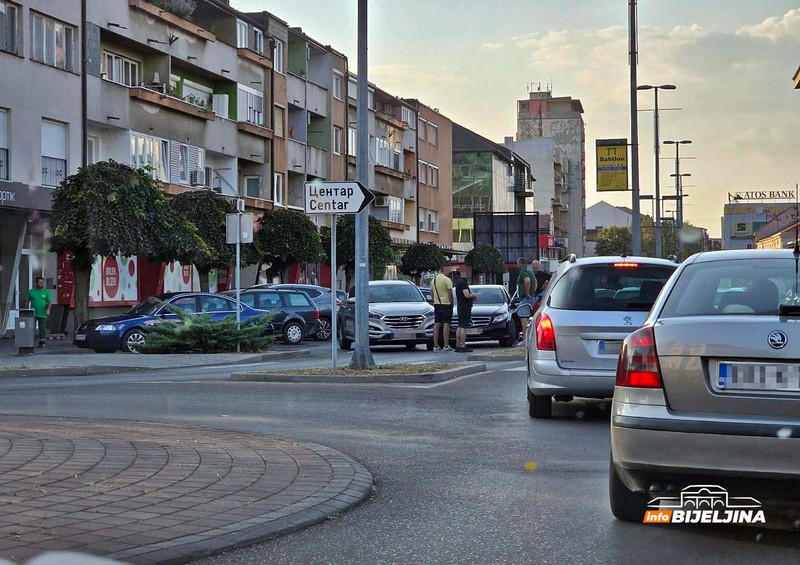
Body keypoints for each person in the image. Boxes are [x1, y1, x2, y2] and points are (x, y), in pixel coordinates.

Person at [429, 268, 454, 352]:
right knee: (446, 324)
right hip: (446, 304)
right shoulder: (447, 280)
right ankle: (446, 345)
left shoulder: (433, 280)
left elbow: (431, 293)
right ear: (444, 270)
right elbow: (450, 293)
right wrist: (451, 303)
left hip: (437, 304)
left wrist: (435, 301)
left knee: (436, 324)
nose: (449, 272)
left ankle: (435, 345)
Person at [516, 257, 538, 346]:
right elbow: (535, 280)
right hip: (533, 297)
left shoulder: (523, 271)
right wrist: (533, 291)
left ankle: (525, 339)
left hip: (525, 298)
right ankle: (532, 339)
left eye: (517, 263)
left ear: (520, 263)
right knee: (531, 319)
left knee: (523, 318)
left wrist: (527, 293)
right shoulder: (530, 269)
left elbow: (527, 280)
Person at [25, 276, 52, 348]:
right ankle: (30, 342)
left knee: (42, 329)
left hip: (42, 313)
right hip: (33, 313)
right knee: (31, 328)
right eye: (40, 282)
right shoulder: (31, 291)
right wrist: (26, 310)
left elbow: (49, 301)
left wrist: (48, 309)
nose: (41, 284)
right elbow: (27, 301)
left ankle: (42, 342)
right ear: (36, 283)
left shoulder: (46, 292)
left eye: (42, 282)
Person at [454, 276, 476, 353]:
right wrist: (473, 296)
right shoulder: (463, 282)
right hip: (465, 307)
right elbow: (467, 295)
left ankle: (458, 346)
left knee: (460, 326)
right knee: (464, 326)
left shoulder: (458, 282)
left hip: (460, 306)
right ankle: (463, 346)